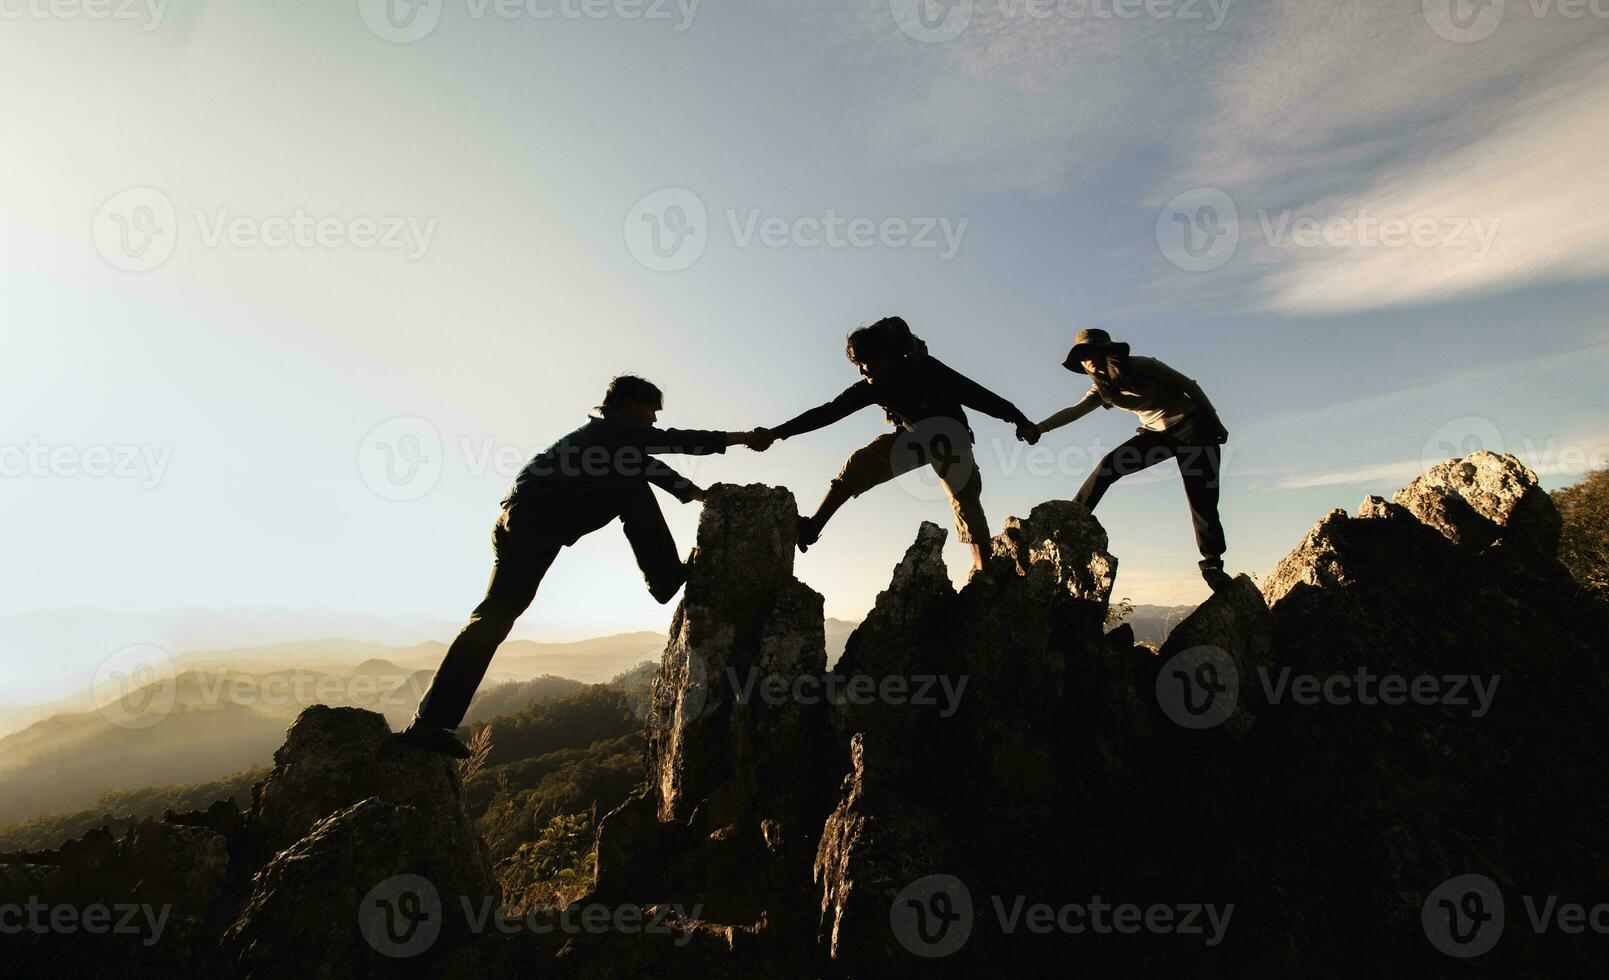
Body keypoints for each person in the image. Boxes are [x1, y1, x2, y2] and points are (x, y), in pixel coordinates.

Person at [394, 375, 768, 757]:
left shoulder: (609, 436)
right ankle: (665, 576)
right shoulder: (611, 431)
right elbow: (675, 441)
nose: (654, 419)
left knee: (492, 620)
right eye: (651, 410)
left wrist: (697, 494)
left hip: (525, 524)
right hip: (533, 524)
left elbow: (645, 463)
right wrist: (742, 437)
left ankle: (431, 722)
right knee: (494, 618)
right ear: (627, 405)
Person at [756, 317, 1039, 573]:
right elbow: (829, 411)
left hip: (949, 436)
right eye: (858, 365)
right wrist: (777, 432)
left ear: (885, 356)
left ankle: (983, 571)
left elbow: (975, 393)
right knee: (860, 463)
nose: (862, 371)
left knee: (963, 497)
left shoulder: (925, 369)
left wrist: (1018, 419)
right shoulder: (874, 385)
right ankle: (811, 528)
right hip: (913, 437)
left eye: (866, 362)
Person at [1037, 328, 1234, 592]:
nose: (1090, 361)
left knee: (1202, 499)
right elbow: (1074, 411)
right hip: (1155, 435)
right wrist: (1040, 428)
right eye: (1083, 358)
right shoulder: (1101, 389)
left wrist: (1215, 422)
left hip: (1193, 428)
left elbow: (1189, 386)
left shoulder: (1141, 365)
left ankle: (1212, 565)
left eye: (1092, 353)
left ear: (1108, 351)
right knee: (1108, 465)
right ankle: (1072, 519)